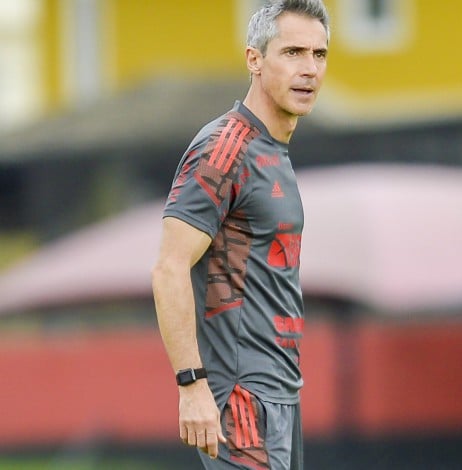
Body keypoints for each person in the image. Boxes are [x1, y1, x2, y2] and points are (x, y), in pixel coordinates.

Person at [151, 1, 329, 468]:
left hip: (281, 395)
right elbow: (169, 268)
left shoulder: (274, 152)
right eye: (292, 52)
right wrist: (192, 385)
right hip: (240, 398)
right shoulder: (224, 148)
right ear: (254, 59)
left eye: (319, 54)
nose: (309, 69)